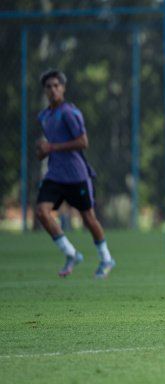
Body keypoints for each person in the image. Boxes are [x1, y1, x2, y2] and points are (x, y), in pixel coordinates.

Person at [35, 69, 116, 279]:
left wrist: (50, 147)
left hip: (76, 176)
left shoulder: (70, 113)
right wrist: (43, 150)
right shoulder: (43, 116)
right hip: (54, 175)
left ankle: (106, 259)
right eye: (49, 86)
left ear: (63, 88)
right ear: (44, 91)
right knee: (42, 213)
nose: (53, 89)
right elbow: (50, 145)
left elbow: (83, 142)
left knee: (88, 219)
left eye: (56, 85)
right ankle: (71, 254)